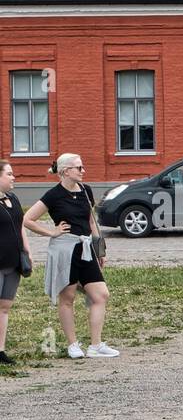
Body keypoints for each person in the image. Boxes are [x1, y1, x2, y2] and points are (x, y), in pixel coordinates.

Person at [22, 152, 119, 358]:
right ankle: (73, 344)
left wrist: (99, 248)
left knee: (100, 295)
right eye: (79, 168)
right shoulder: (53, 195)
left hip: (86, 248)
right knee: (68, 297)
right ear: (66, 171)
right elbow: (28, 219)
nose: (83, 171)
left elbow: (91, 221)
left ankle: (95, 345)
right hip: (65, 249)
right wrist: (52, 231)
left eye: (82, 167)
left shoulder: (86, 190)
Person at [0, 160, 32, 365]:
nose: (14, 177)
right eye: (9, 174)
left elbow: (21, 227)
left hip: (14, 264)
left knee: (4, 307)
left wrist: (27, 252)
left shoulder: (13, 199)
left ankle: (0, 350)